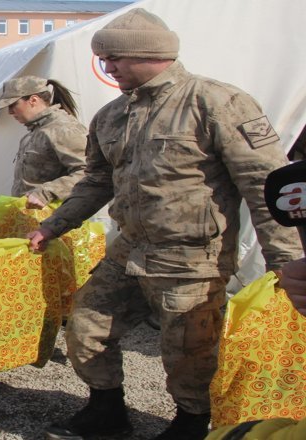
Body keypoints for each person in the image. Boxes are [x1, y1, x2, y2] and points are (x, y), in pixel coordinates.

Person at [24, 8, 303, 440]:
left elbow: (267, 186)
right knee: (86, 327)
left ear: (150, 54)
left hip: (191, 261)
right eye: (103, 58)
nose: (107, 66)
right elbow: (96, 180)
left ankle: (192, 424)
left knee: (188, 354)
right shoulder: (111, 116)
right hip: (128, 251)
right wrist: (53, 225)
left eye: (114, 57)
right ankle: (106, 413)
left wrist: (285, 260)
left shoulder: (217, 102)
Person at [0, 76, 87, 209]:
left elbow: (88, 172)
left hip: (56, 219)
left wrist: (46, 193)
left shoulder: (63, 129)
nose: (10, 112)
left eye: (13, 105)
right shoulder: (37, 131)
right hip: (34, 217)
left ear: (33, 100)